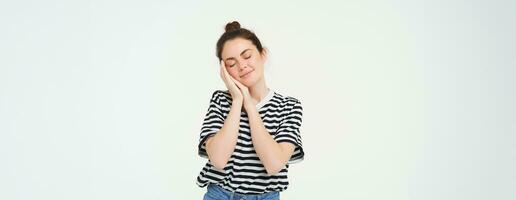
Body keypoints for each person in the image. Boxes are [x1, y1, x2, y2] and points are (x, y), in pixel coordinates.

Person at [196, 21, 304, 200]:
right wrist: (238, 100)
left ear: (263, 54)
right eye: (231, 63)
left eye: (247, 56)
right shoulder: (221, 101)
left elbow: (274, 164)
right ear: (224, 70)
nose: (242, 66)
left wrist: (250, 106)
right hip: (220, 195)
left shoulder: (289, 106)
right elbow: (218, 160)